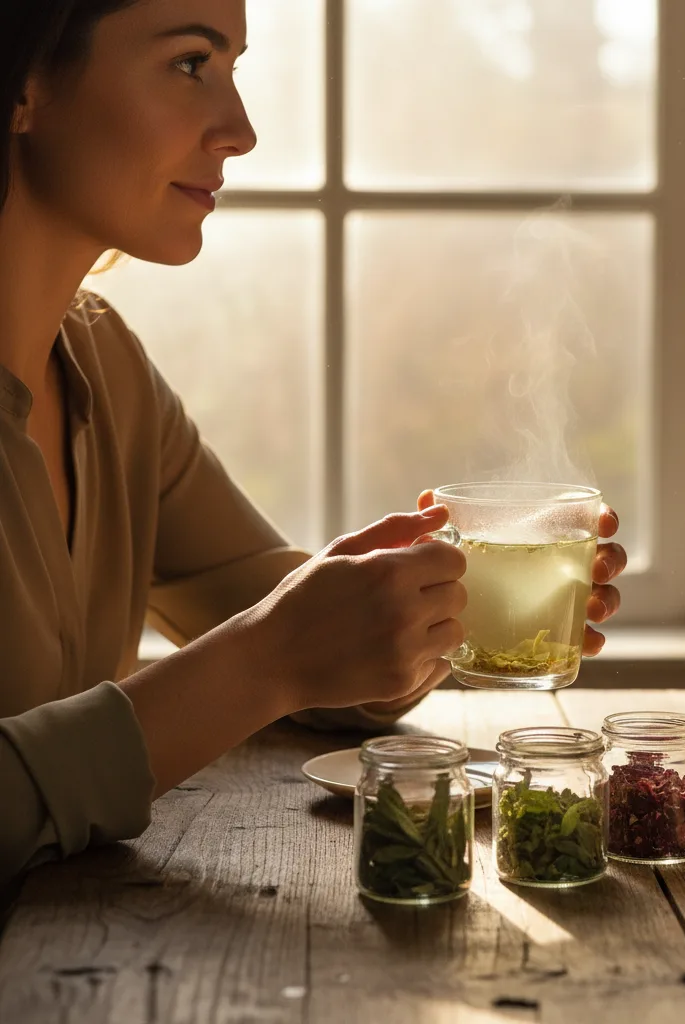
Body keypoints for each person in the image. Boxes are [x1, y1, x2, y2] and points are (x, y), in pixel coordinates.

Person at [0, 0, 627, 891]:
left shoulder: (106, 368)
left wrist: (427, 615)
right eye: (190, 64)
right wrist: (270, 661)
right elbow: (264, 650)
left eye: (234, 69)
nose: (241, 129)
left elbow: (275, 618)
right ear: (24, 78)